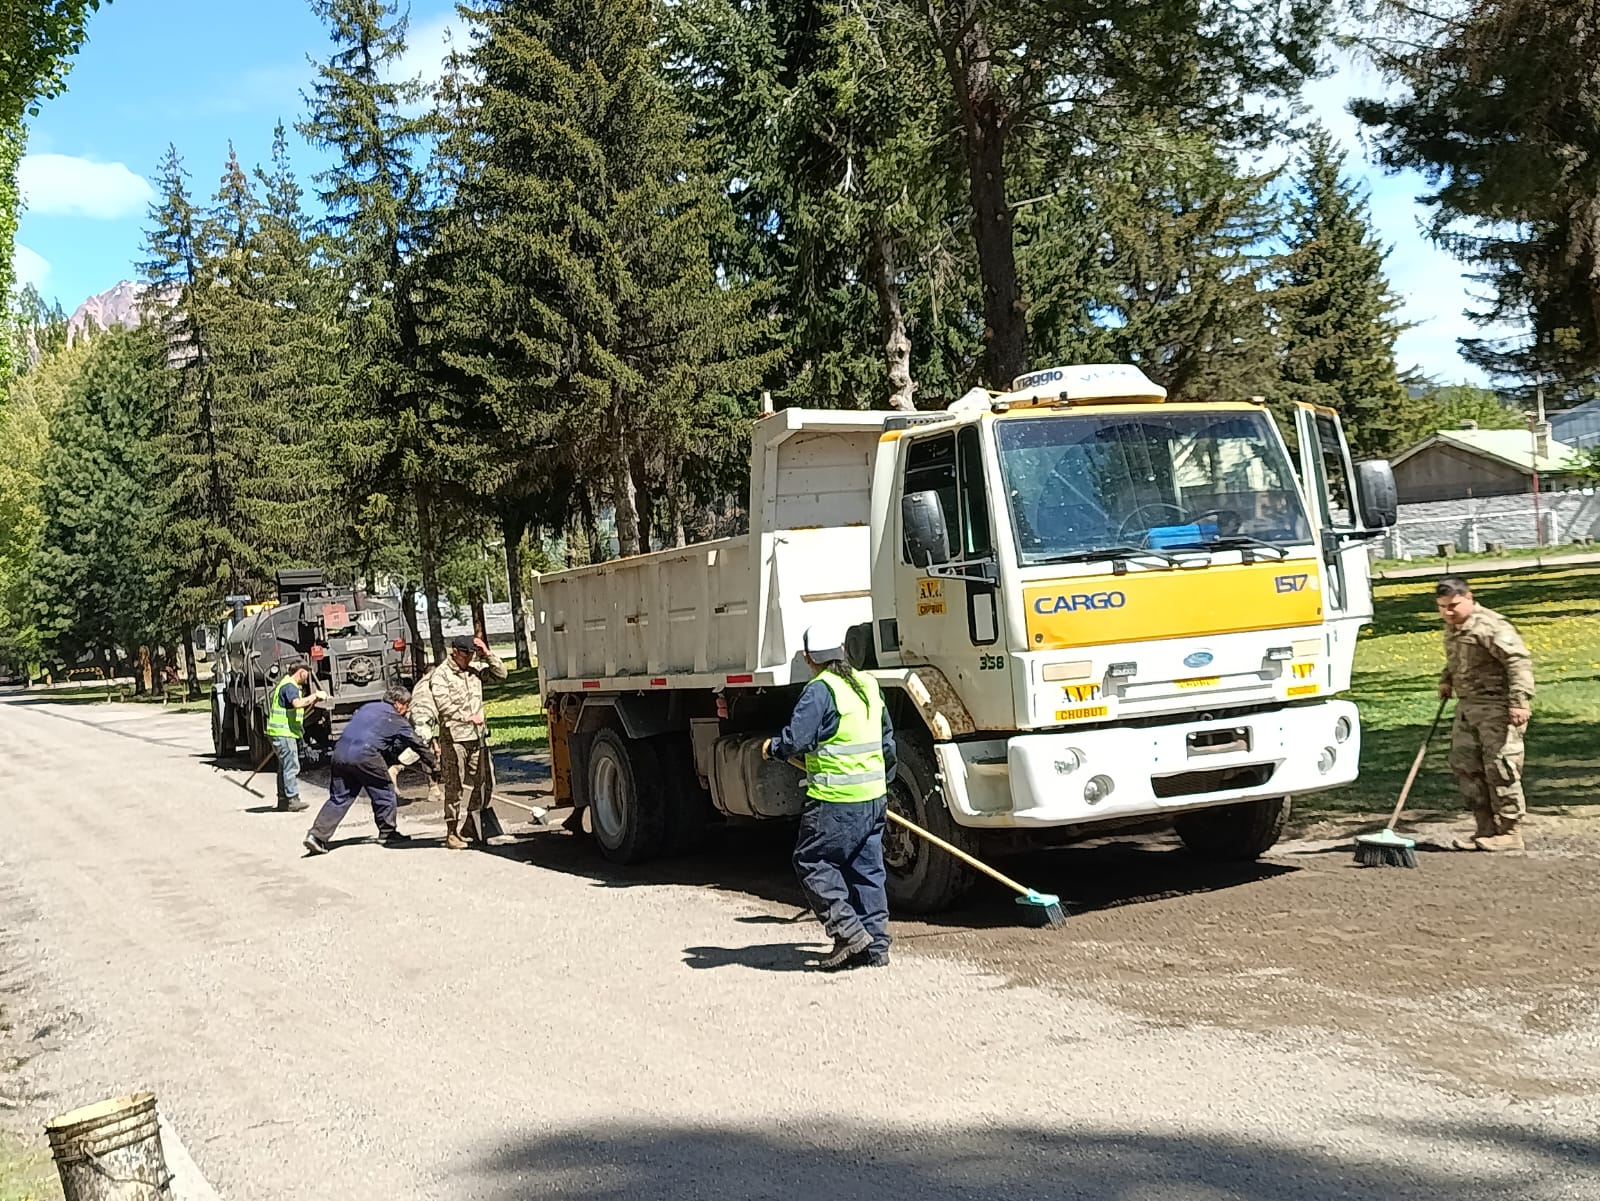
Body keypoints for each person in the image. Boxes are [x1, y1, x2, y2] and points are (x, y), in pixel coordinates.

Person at [762, 623, 896, 970]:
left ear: (809, 658)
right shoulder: (868, 683)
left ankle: (849, 933)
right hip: (873, 797)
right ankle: (876, 947)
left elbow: (796, 740)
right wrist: (882, 787)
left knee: (812, 861)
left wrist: (772, 748)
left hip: (835, 800)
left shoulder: (819, 690)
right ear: (841, 649)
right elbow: (887, 744)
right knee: (867, 870)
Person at [1436, 576, 1534, 852]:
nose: (1448, 612)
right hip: (1468, 708)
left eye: (1453, 605)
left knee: (1500, 768)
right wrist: (1446, 679)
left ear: (1469, 597)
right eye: (1442, 607)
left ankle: (1510, 831)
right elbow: (1457, 658)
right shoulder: (1455, 627)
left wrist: (1519, 701)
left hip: (1497, 708)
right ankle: (1485, 828)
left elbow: (1517, 661)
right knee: (1466, 766)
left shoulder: (1490, 626)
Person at [303, 685, 435, 854]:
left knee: (340, 798)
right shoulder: (395, 718)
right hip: (365, 754)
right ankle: (388, 832)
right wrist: (434, 765)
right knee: (384, 788)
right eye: (406, 705)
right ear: (398, 704)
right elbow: (417, 743)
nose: (406, 710)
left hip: (340, 753)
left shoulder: (367, 708)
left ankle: (316, 836)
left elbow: (371, 733)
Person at [428, 634, 507, 849]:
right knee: (454, 787)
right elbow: (443, 706)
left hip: (477, 737)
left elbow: (501, 674)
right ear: (455, 651)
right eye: (466, 653)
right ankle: (451, 832)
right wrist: (466, 717)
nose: (470, 658)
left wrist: (487, 654)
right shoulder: (441, 675)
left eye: (473, 653)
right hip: (455, 740)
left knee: (486, 782)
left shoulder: (473, 671)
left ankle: (471, 823)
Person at [265, 658, 326, 813]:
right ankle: (292, 799)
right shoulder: (290, 687)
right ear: (301, 672)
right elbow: (297, 704)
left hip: (280, 732)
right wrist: (314, 696)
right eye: (307, 673)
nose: (307, 677)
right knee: (291, 765)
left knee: (284, 766)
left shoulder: (286, 684)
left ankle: (283, 800)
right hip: (284, 733)